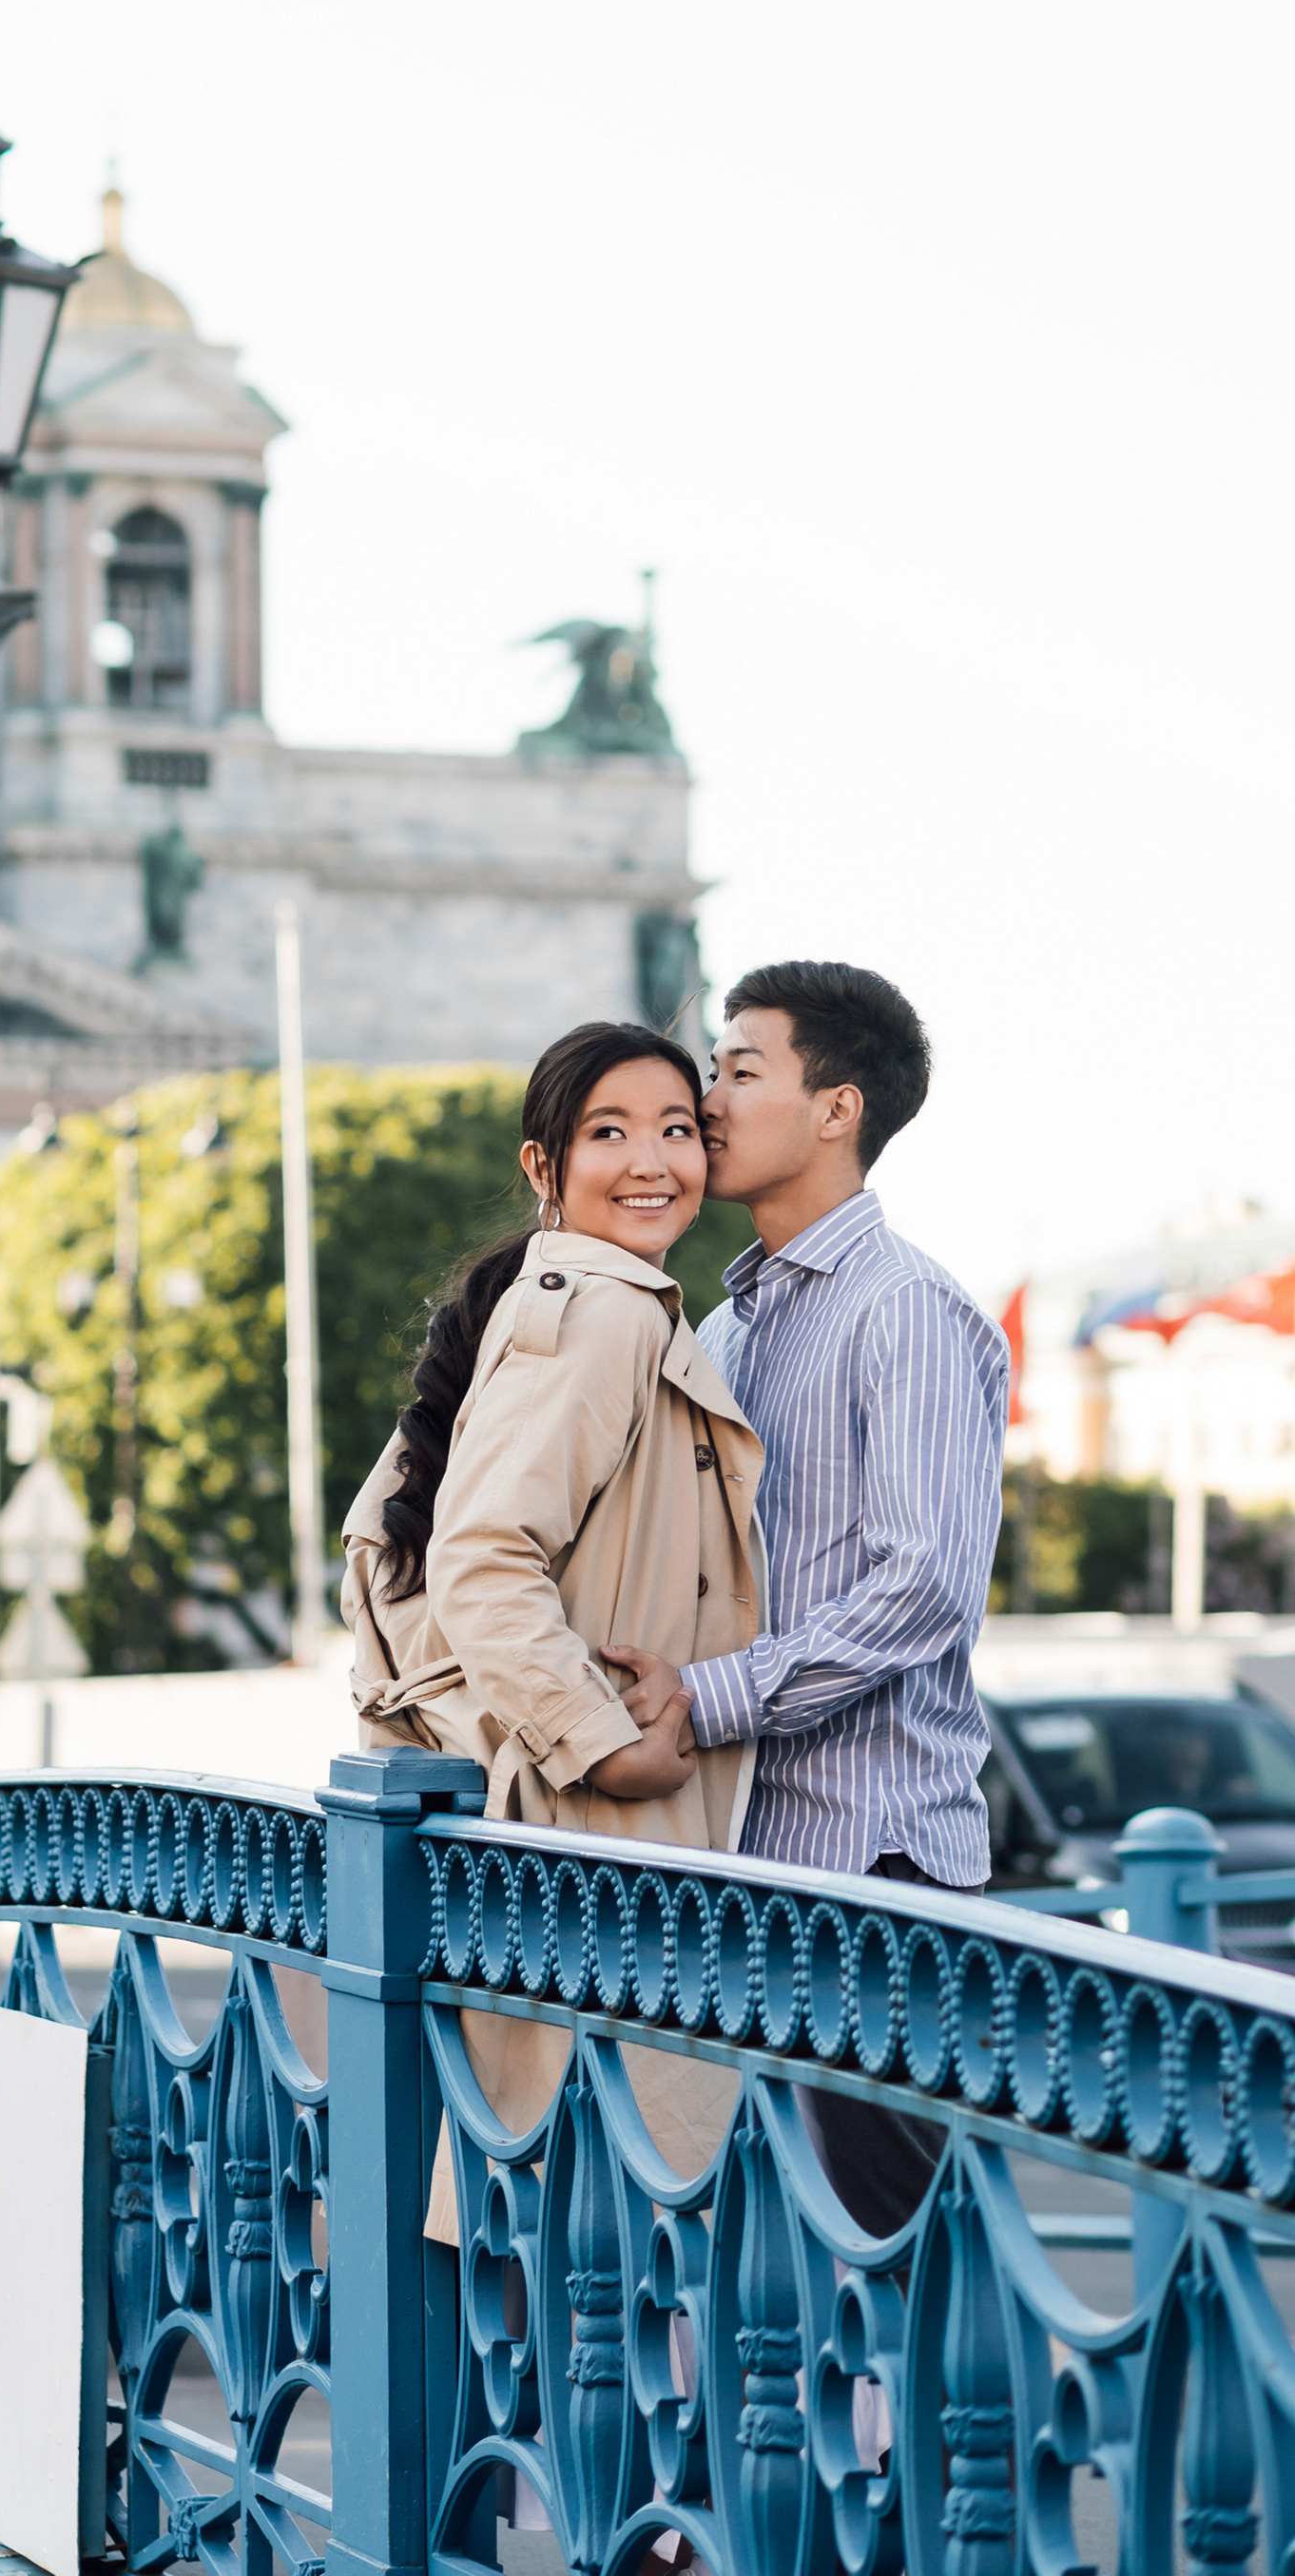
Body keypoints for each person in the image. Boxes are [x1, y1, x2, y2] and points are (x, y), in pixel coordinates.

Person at [600, 958, 1007, 2240]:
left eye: (739, 1069)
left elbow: (922, 1585)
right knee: (747, 2265)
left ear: (837, 1108)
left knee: (890, 2265)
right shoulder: (725, 1331)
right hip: (732, 1861)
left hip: (870, 1871)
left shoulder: (908, 1312)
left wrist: (707, 1698)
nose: (707, 1100)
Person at [341, 1018, 763, 2181]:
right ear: (544, 1165)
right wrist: (602, 1745)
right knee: (616, 2204)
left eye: (676, 1130)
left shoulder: (562, 1299)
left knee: (530, 2206)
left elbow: (403, 1563)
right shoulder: (603, 1309)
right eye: (608, 1133)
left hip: (534, 1835)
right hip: (592, 1833)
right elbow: (482, 1556)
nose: (651, 1162)